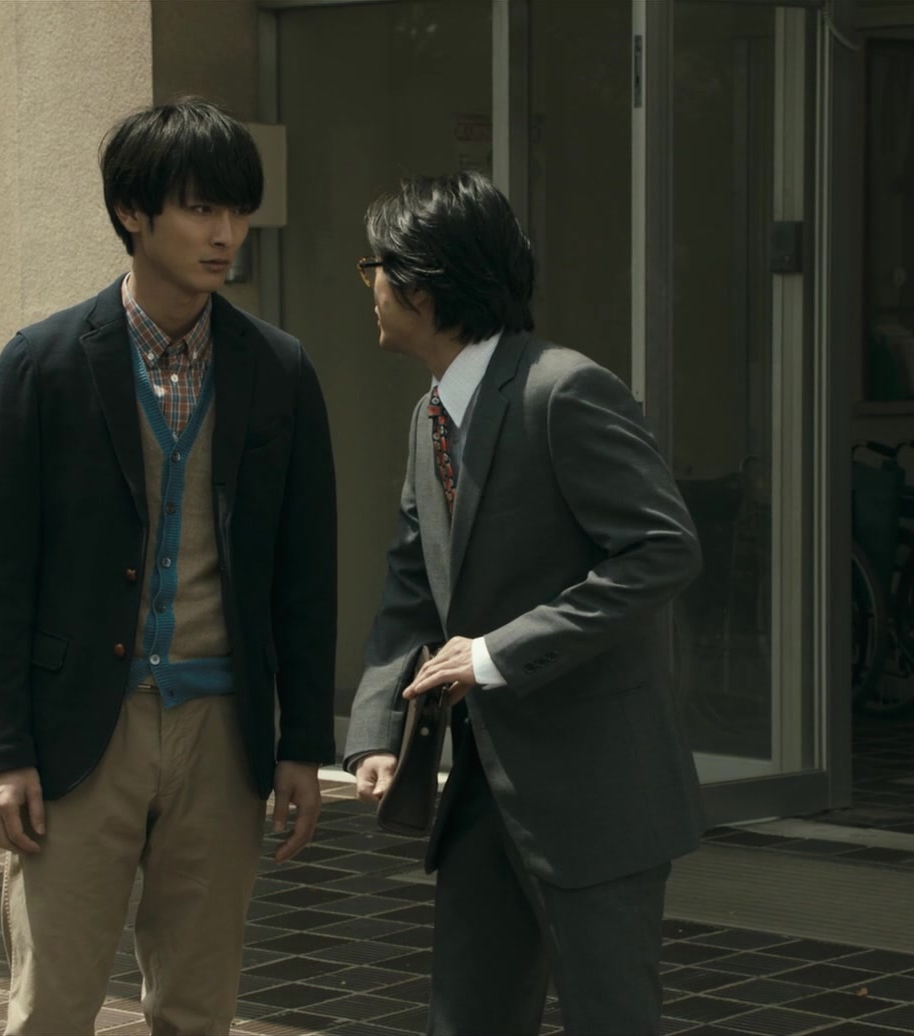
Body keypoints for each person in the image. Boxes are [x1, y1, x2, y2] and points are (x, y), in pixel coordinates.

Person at [0, 97, 338, 1036]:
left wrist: (301, 744)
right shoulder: (43, 365)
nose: (226, 235)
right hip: (81, 732)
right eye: (201, 210)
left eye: (239, 211)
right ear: (133, 211)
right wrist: (3, 752)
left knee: (197, 1009)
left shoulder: (279, 371)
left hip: (222, 733)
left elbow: (304, 575)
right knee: (51, 1009)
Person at [342, 171, 704, 1035]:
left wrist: (495, 654)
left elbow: (663, 549)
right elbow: (411, 587)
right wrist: (376, 731)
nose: (371, 287)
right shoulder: (431, 414)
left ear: (423, 287)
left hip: (597, 796)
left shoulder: (563, 391)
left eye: (375, 268)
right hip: (481, 798)